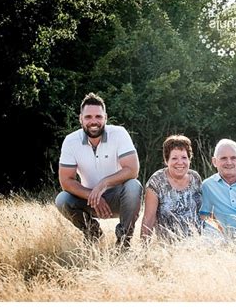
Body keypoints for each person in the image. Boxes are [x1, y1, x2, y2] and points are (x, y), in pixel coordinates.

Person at [55, 93, 142, 250]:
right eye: (88, 117)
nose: (93, 121)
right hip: (89, 199)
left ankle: (124, 243)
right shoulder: (70, 141)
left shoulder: (119, 133)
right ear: (80, 119)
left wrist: (104, 183)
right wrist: (92, 195)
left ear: (105, 118)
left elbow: (132, 169)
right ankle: (93, 233)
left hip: (118, 198)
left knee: (134, 186)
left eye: (98, 116)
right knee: (62, 199)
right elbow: (66, 181)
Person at [140, 135, 202, 241]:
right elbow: (149, 219)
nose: (180, 162)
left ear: (189, 159)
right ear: (166, 160)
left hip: (197, 241)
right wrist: (144, 251)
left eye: (184, 157)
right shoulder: (156, 182)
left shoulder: (195, 178)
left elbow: (202, 213)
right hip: (169, 244)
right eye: (174, 158)